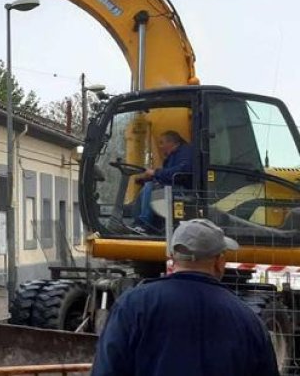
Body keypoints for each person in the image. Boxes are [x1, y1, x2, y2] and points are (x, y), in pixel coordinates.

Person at [91, 218, 280, 376]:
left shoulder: (132, 305)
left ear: (172, 258)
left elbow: (107, 369)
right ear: (219, 261)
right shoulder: (246, 319)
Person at [132, 131, 195, 232]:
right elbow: (167, 175)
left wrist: (155, 173)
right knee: (145, 188)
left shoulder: (186, 152)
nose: (160, 146)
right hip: (172, 186)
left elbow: (181, 171)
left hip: (183, 189)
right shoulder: (173, 155)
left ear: (171, 142)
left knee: (150, 187)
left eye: (162, 143)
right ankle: (137, 224)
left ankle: (144, 224)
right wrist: (147, 178)